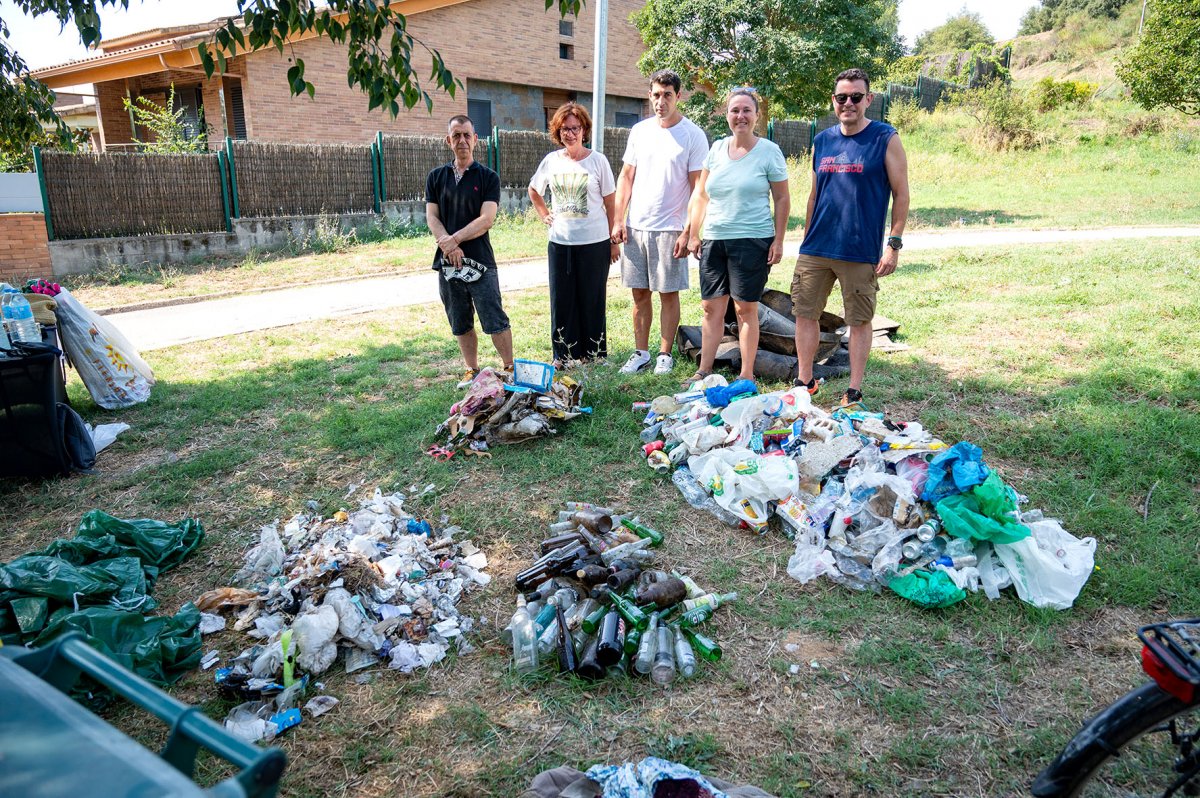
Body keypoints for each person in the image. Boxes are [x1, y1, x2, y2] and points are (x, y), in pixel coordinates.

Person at [792, 67, 910, 408]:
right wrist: (805, 237)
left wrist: (894, 244)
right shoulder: (822, 140)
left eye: (856, 97)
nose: (849, 103)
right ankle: (805, 381)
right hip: (816, 247)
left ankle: (854, 389)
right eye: (842, 97)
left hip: (859, 250)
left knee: (859, 320)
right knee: (804, 313)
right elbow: (814, 194)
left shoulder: (885, 138)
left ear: (868, 99)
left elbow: (901, 194)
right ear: (833, 101)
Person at [685, 88, 790, 385]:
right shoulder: (716, 149)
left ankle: (746, 374)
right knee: (710, 307)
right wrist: (694, 234)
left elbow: (782, 199)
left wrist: (779, 240)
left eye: (746, 110)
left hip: (753, 240)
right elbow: (701, 195)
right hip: (715, 240)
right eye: (734, 110)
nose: (740, 116)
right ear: (727, 116)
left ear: (756, 115)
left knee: (745, 309)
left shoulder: (769, 151)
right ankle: (704, 370)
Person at [611, 69, 709, 376]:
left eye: (667, 95)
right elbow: (626, 176)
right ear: (649, 96)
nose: (660, 101)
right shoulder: (639, 131)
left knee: (668, 293)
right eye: (655, 94)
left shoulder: (692, 135)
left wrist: (689, 230)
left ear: (678, 96)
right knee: (639, 294)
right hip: (637, 226)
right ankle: (641, 352)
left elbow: (699, 189)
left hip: (671, 228)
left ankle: (664, 355)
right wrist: (618, 219)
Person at [528, 102, 619, 367]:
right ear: (558, 132)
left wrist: (614, 241)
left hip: (595, 242)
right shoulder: (551, 161)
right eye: (565, 129)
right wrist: (544, 214)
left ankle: (594, 354)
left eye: (575, 128)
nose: (570, 133)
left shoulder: (598, 161)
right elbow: (534, 190)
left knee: (592, 298)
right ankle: (564, 354)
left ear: (584, 130)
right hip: (561, 244)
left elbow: (611, 202)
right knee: (562, 298)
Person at [425, 114, 513, 387]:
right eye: (456, 135)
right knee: (460, 319)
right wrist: (446, 244)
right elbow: (432, 216)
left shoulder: (488, 177)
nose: (462, 140)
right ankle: (471, 370)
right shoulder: (436, 177)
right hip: (448, 264)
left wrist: (455, 241)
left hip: (481, 263)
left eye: (467, 135)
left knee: (494, 317)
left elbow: (487, 219)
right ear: (448, 140)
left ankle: (509, 368)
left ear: (475, 140)